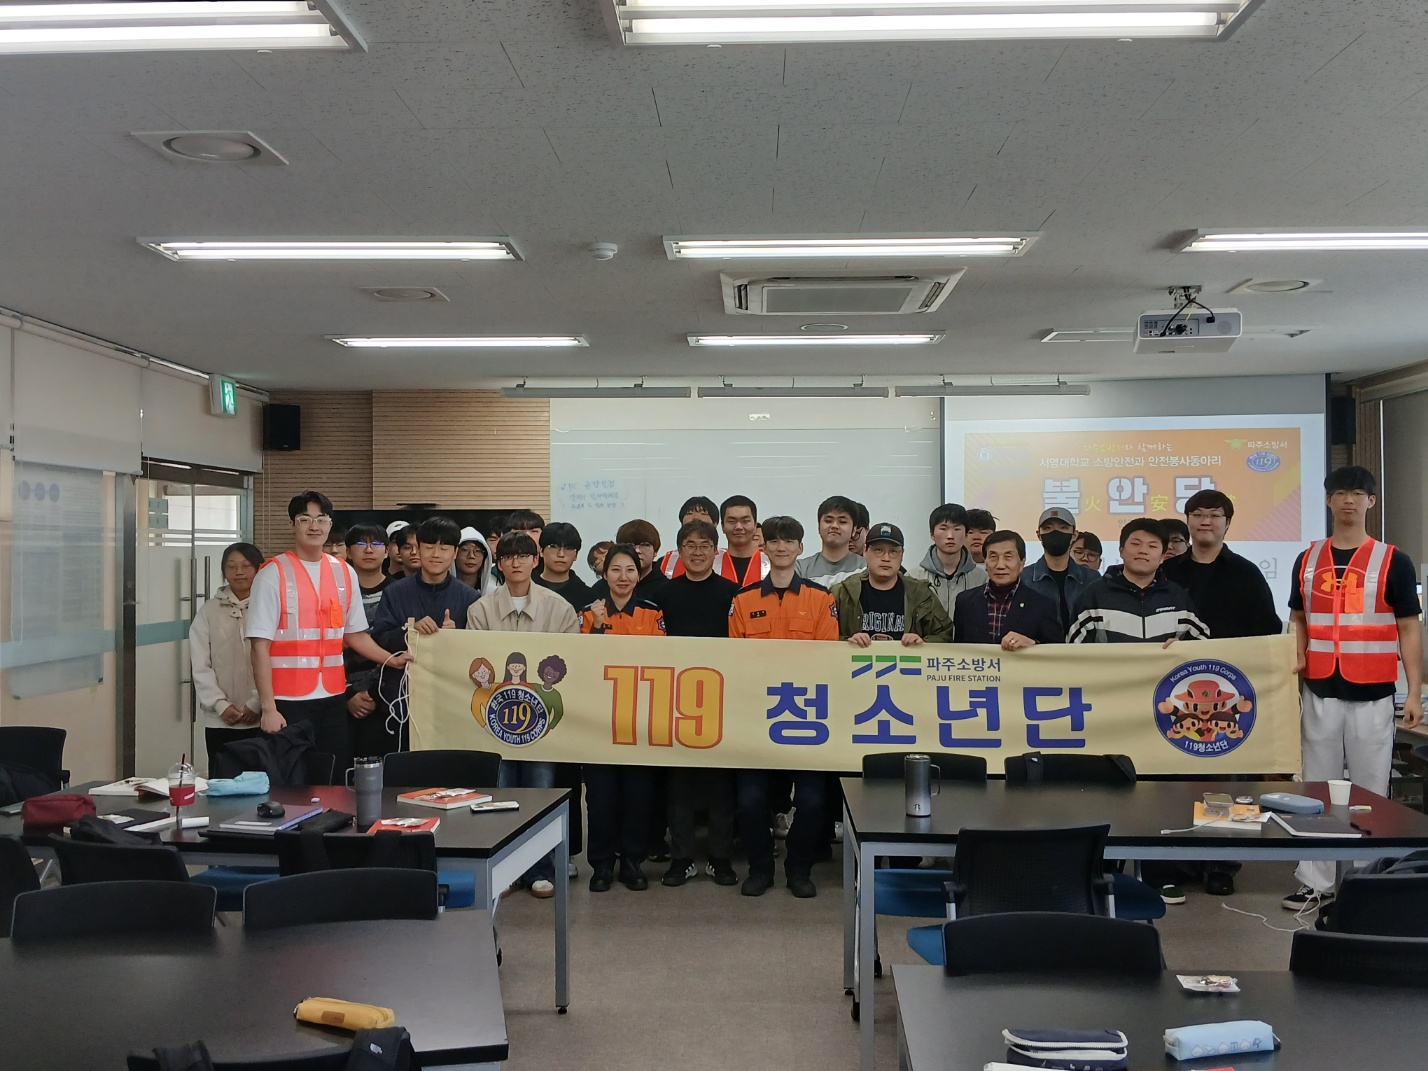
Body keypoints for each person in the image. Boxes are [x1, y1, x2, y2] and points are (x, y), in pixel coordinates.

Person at [1283, 466, 1423, 913]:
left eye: (1358, 493)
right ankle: (1315, 881)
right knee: (1316, 789)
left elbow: (1409, 628)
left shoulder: (1392, 560)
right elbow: (1298, 618)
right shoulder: (1307, 559)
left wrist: (1414, 692)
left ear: (1371, 501)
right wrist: (1296, 659)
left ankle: (1367, 881)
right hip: (1319, 687)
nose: (1349, 500)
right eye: (1341, 492)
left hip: (1374, 691)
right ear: (1328, 500)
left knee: (1370, 790)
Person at [247, 491, 411, 779]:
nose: (314, 526)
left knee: (334, 777)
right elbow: (259, 646)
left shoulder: (343, 572)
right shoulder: (273, 573)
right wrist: (268, 708)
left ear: (330, 523)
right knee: (291, 781)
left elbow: (355, 635)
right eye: (305, 519)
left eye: (321, 519)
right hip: (288, 700)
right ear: (292, 524)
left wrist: (390, 660)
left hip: (333, 698)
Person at [729, 516, 840, 898]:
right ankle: (761, 868)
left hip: (806, 715)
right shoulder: (743, 601)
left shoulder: (821, 599)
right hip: (756, 717)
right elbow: (736, 659)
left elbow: (826, 657)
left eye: (789, 541)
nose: (781, 548)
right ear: (764, 547)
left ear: (799, 548)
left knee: (811, 801)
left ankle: (798, 868)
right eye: (774, 541)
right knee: (749, 801)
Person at [468, 532, 581, 898]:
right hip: (496, 721)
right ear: (498, 564)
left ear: (536, 560)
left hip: (541, 724)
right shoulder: (480, 610)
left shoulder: (559, 608)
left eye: (523, 555)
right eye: (508, 556)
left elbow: (570, 664)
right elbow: (476, 665)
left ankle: (540, 869)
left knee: (539, 793)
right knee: (500, 794)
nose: (516, 562)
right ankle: (504, 869)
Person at [657, 519, 741, 888]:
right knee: (680, 786)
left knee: (721, 784)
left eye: (705, 545)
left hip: (721, 699)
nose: (697, 552)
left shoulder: (733, 594)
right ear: (679, 551)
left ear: (716, 551)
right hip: (676, 699)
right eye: (689, 545)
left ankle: (720, 858)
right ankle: (682, 859)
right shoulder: (664, 594)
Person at [580, 544, 666, 892]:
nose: (623, 577)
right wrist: (599, 627)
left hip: (640, 719)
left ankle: (632, 862)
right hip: (599, 721)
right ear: (604, 574)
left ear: (639, 574)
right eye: (615, 569)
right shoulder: (588, 613)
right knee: (600, 799)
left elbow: (662, 660)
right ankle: (601, 865)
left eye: (630, 569)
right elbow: (583, 663)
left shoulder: (652, 612)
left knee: (638, 796)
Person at [367, 516, 482, 755]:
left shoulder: (470, 597)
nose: (436, 554)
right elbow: (379, 637)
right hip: (402, 699)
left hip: (451, 700)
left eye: (444, 548)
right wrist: (409, 631)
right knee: (402, 766)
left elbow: (479, 653)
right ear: (418, 550)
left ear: (454, 553)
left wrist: (456, 637)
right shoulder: (395, 592)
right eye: (429, 547)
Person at [1161, 490, 1281, 641]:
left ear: (1227, 523)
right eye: (1197, 515)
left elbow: (1268, 627)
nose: (1205, 522)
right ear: (1188, 520)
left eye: (1214, 515)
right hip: (1176, 655)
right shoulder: (1166, 571)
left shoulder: (1246, 572)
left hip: (1231, 655)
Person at [1068, 519, 1208, 644]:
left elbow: (1202, 645)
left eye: (1152, 546)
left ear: (1162, 556)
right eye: (1136, 544)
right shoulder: (1095, 595)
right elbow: (1074, 651)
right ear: (1121, 550)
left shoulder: (1177, 597)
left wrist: (1183, 648)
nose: (1143, 551)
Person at [191, 541, 264, 770]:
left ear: (259, 568)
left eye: (246, 565)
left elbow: (278, 658)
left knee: (262, 780)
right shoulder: (208, 610)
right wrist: (219, 704)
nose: (238, 572)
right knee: (221, 779)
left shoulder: (269, 606)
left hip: (262, 716)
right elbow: (200, 663)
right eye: (231, 566)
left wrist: (257, 702)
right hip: (220, 719)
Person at [832, 523, 954, 647]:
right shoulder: (843, 593)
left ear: (902, 555)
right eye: (878, 550)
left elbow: (945, 634)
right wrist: (848, 642)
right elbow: (825, 636)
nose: (886, 558)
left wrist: (922, 643)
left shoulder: (920, 594)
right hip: (857, 659)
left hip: (906, 659)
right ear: (865, 551)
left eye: (893, 552)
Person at [952, 531, 1062, 649]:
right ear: (985, 562)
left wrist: (1034, 645)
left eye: (1008, 557)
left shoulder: (1042, 605)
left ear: (1022, 563)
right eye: (993, 557)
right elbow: (958, 651)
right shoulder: (965, 602)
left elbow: (1056, 651)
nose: (1000, 565)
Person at [343, 524, 392, 752]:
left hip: (387, 700)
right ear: (348, 551)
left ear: (387, 551)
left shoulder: (399, 592)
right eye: (361, 543)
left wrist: (374, 694)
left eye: (377, 544)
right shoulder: (335, 591)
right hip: (339, 697)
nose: (369, 550)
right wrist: (348, 693)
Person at [1022, 507, 1101, 635]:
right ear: (1039, 535)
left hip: (1084, 647)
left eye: (1063, 527)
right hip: (1039, 647)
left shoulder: (1092, 579)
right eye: (1048, 528)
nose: (1055, 532)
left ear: (1074, 535)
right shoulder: (1023, 578)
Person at [908, 502, 987, 618]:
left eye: (957, 529)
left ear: (966, 534)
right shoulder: (913, 578)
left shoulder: (982, 578)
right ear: (932, 534)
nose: (950, 536)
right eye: (943, 528)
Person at [796, 494, 866, 588]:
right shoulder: (800, 568)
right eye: (828, 521)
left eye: (842, 522)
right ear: (819, 527)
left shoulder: (865, 567)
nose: (834, 526)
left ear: (854, 530)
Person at [535, 522, 594, 611]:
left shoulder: (588, 596)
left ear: (576, 555)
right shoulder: (526, 588)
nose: (561, 554)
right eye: (554, 547)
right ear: (541, 551)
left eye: (569, 548)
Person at [656, 495, 720, 577]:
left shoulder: (727, 559)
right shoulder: (666, 562)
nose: (696, 517)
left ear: (715, 523)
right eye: (690, 513)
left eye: (703, 513)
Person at [455, 527, 496, 596]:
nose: (471, 556)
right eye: (465, 550)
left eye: (477, 551)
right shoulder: (442, 590)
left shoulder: (493, 593)